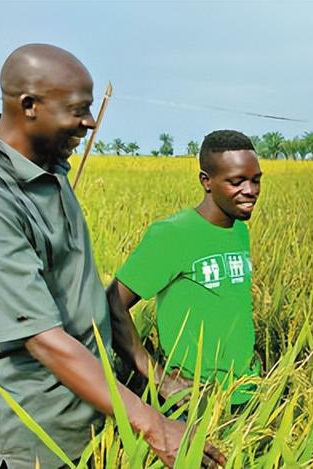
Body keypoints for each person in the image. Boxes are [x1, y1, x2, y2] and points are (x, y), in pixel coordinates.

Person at [0, 44, 224, 469]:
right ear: (29, 105)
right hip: (34, 436)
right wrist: (154, 427)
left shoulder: (49, 166)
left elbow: (81, 294)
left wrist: (151, 374)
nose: (89, 122)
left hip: (95, 412)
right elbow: (42, 338)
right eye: (77, 110)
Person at [108, 130, 262, 407]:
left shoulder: (240, 230)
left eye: (255, 180)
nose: (249, 191)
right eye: (236, 182)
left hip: (247, 391)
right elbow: (111, 303)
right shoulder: (172, 235)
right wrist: (160, 380)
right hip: (195, 400)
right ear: (207, 181)